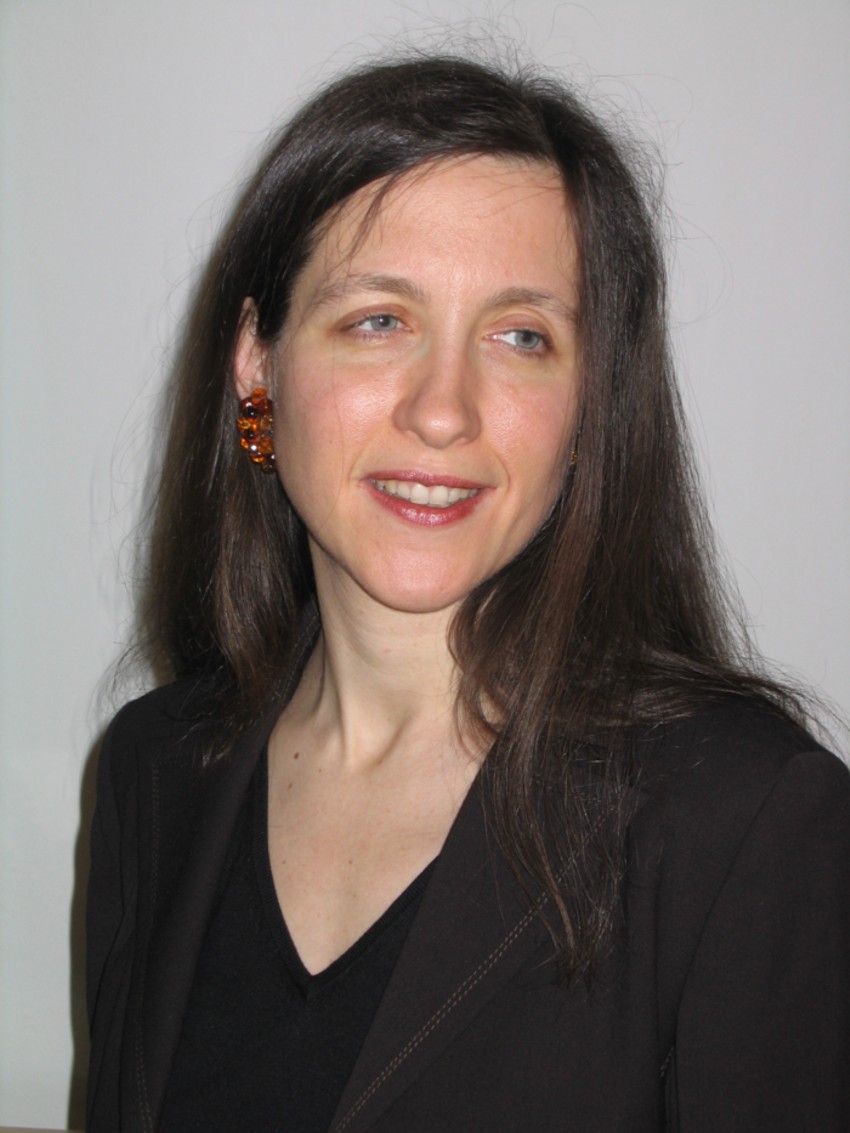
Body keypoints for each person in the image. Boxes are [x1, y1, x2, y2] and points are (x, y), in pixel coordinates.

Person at [85, 55, 850, 1132]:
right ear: (258, 363)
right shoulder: (153, 770)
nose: (443, 410)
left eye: (521, 336)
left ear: (590, 405)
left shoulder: (744, 821)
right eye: (378, 320)